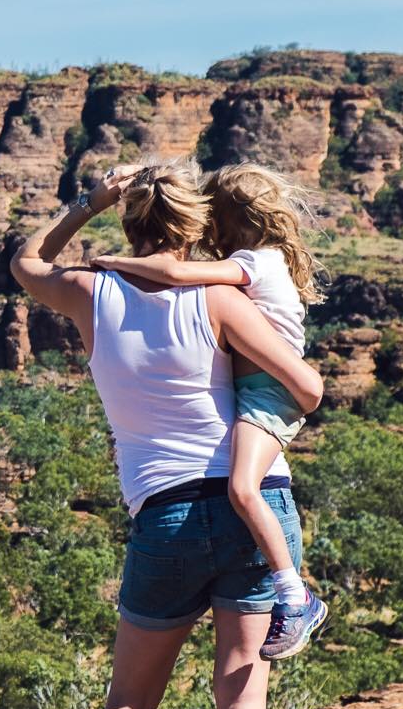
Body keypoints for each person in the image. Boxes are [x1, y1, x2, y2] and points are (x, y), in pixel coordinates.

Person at [7, 158, 323, 709]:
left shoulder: (90, 291)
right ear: (197, 228)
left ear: (131, 223)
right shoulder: (217, 298)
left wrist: (90, 202)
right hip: (256, 506)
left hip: (167, 515)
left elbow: (26, 262)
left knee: (128, 702)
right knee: (241, 696)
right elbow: (305, 385)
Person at [89, 163, 327, 660]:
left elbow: (176, 272)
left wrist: (113, 261)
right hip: (260, 388)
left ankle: (296, 594)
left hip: (267, 391)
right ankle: (290, 590)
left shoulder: (255, 262)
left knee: (243, 487)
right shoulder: (263, 259)